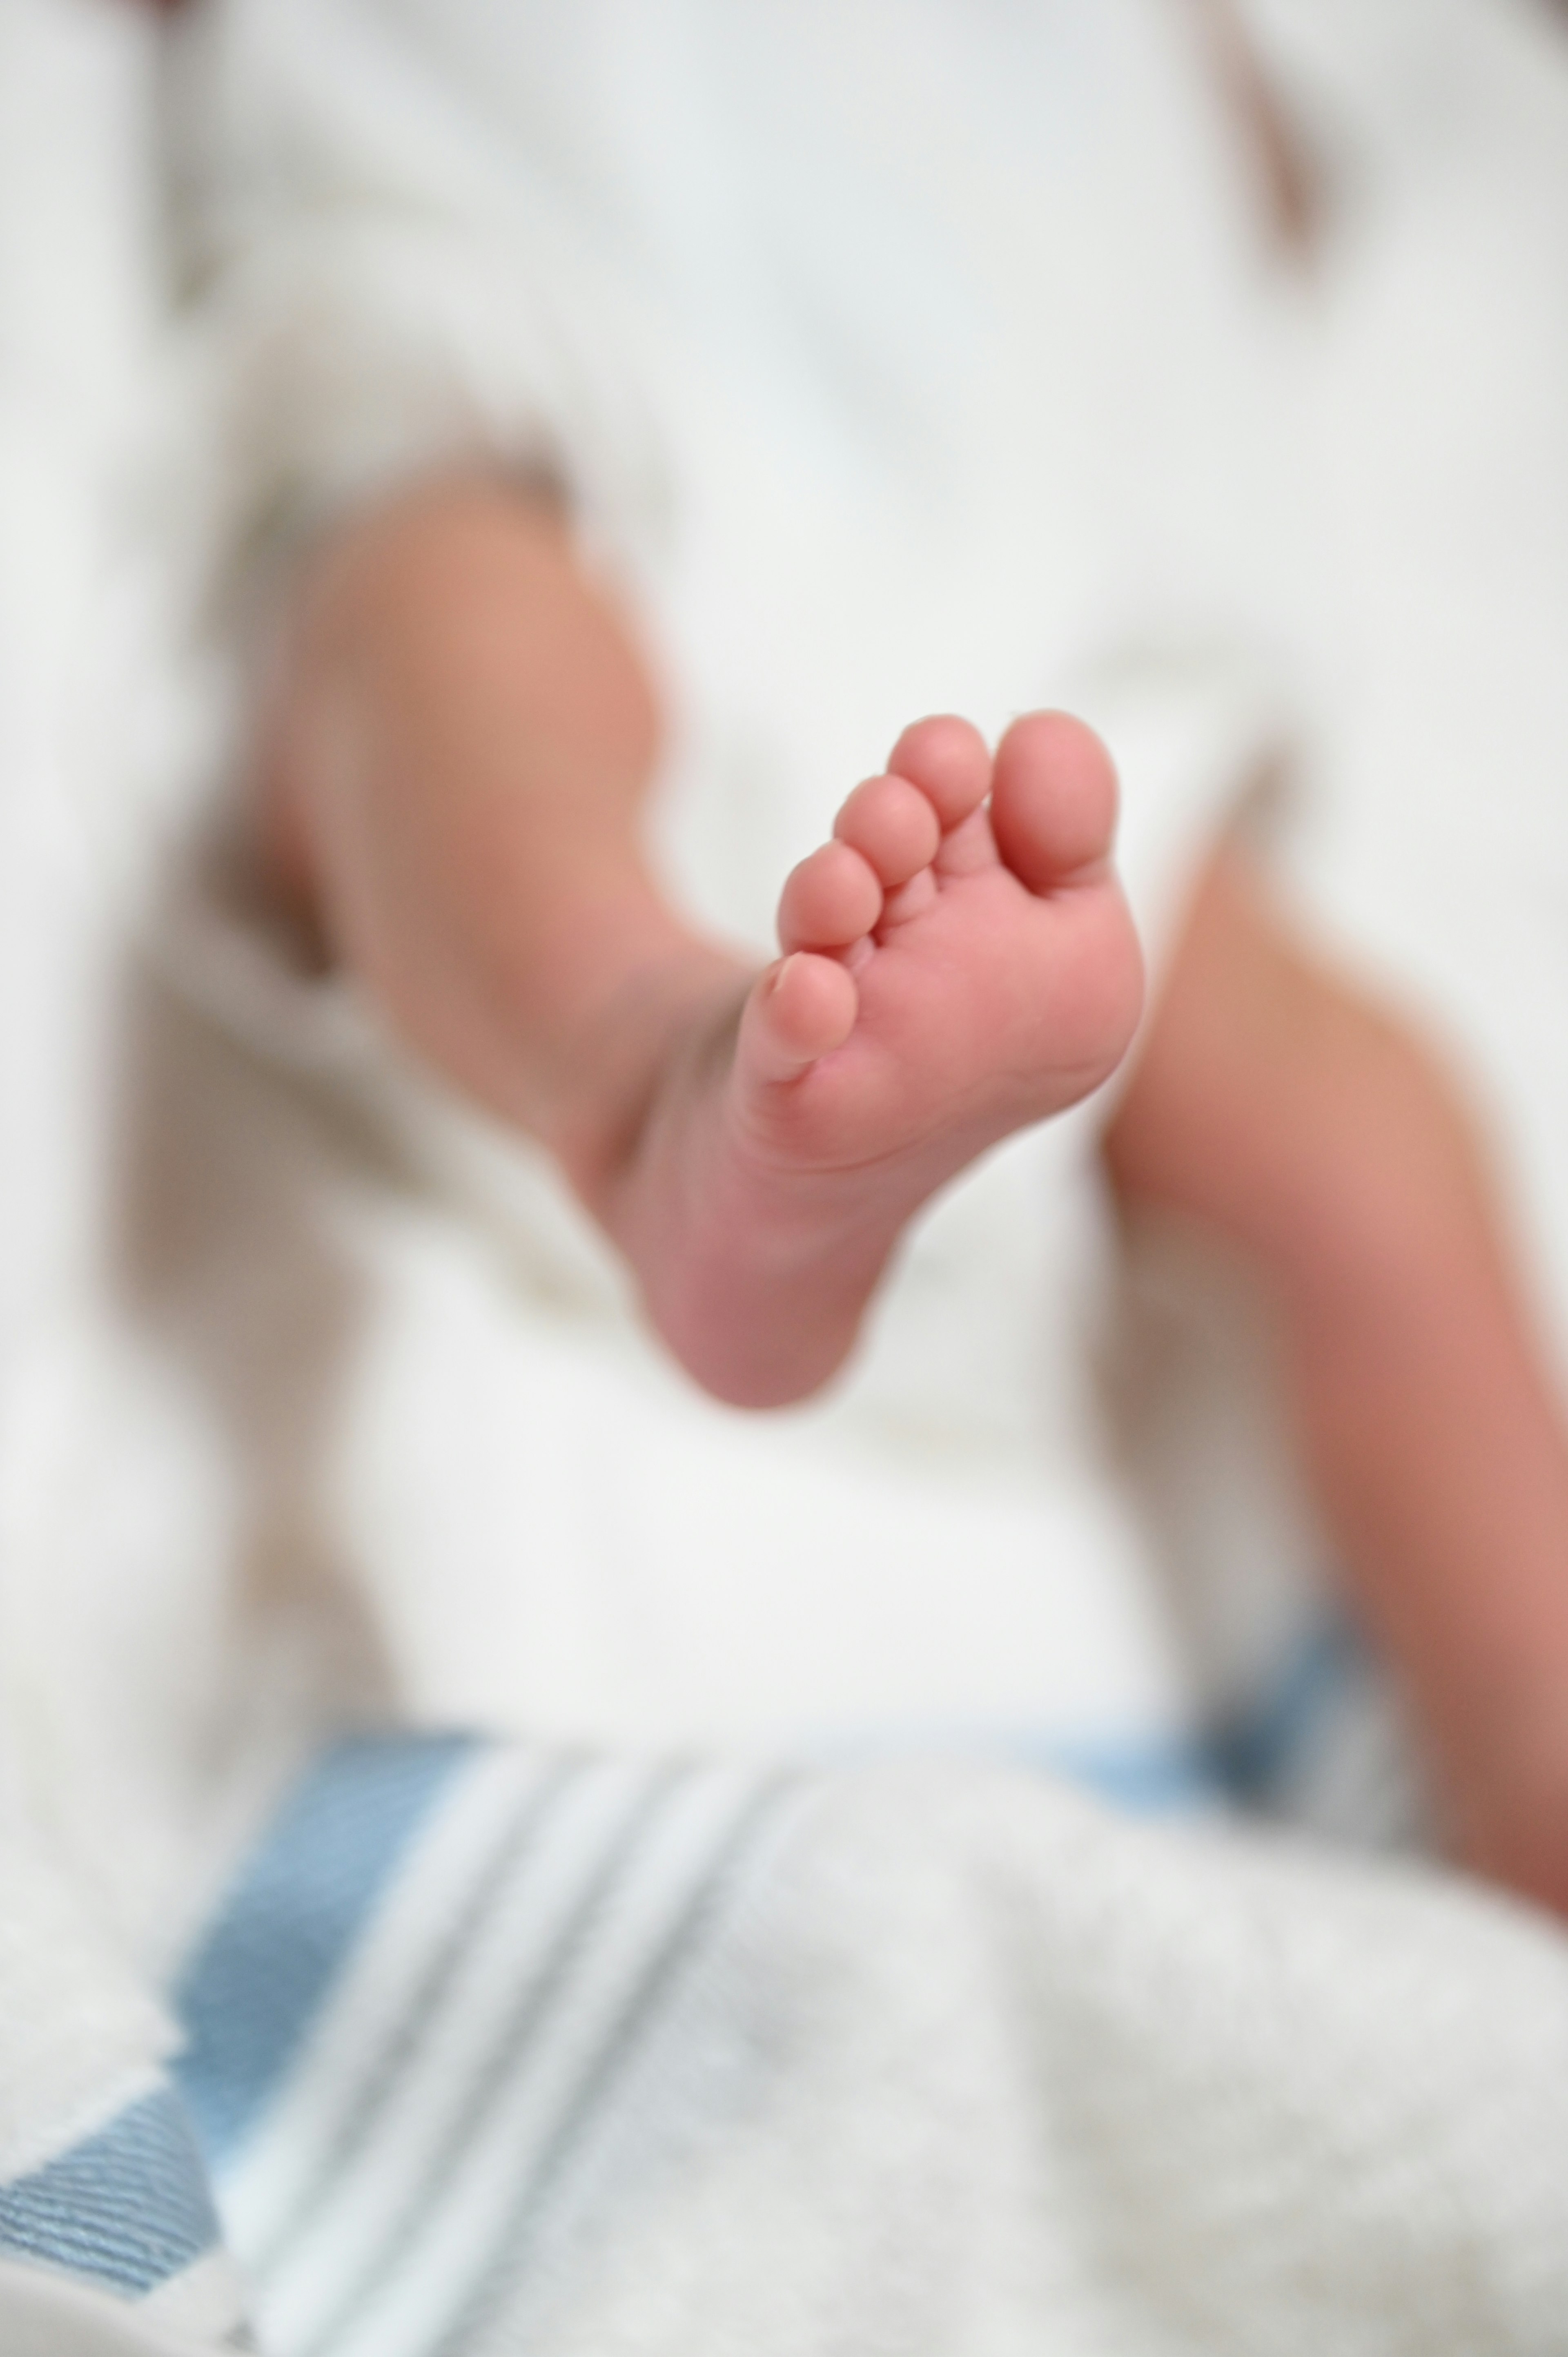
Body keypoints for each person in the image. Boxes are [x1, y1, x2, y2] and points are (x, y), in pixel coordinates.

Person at [167, 0, 1568, 1915]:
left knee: (1354, 1124)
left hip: (997, 477)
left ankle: (1544, 1788)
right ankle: (658, 1078)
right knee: (441, 625)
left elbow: (1273, 149)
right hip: (564, 317)